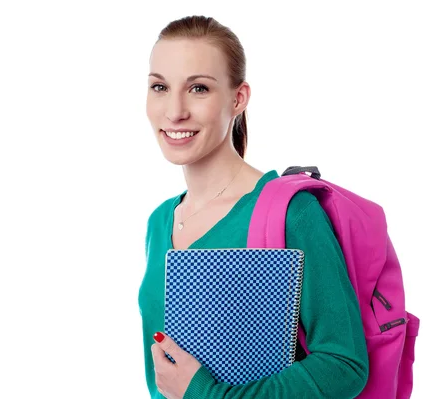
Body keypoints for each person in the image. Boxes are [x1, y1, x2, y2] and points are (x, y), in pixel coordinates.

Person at [138, 15, 368, 399]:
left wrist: (208, 395)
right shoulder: (160, 220)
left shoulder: (291, 212)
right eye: (159, 86)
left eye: (198, 88)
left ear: (238, 98)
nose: (174, 111)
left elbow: (344, 365)